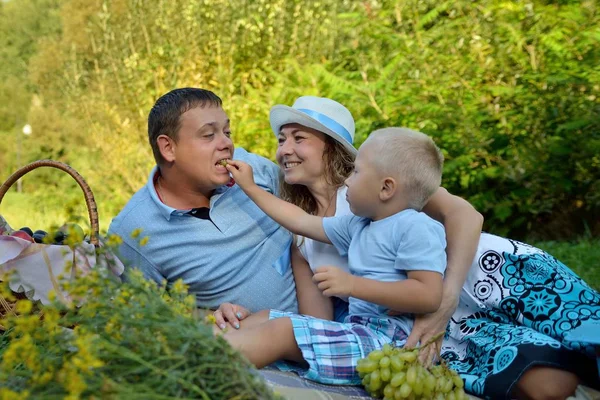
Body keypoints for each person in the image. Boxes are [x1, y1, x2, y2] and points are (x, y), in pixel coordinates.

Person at [218, 96, 599, 399]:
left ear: (333, 149)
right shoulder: (314, 236)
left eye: (299, 138)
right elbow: (326, 326)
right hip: (434, 324)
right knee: (547, 381)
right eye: (281, 139)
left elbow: (466, 216)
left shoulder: (383, 188)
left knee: (588, 332)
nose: (285, 148)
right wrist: (259, 320)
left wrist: (445, 297)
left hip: (487, 273)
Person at [221, 127, 448, 387]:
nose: (348, 180)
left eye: (357, 171)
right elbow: (300, 221)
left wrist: (352, 285)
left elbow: (429, 295)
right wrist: (250, 188)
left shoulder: (416, 227)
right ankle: (191, 341)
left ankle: (200, 365)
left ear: (386, 188)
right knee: (263, 317)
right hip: (359, 331)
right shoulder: (358, 225)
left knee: (283, 331)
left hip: (392, 343)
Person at [108, 88, 299, 315]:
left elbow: (309, 210)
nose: (226, 144)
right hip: (251, 344)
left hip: (332, 316)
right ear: (168, 148)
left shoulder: (251, 167)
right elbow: (145, 320)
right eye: (208, 135)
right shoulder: (132, 231)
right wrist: (204, 317)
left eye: (227, 132)